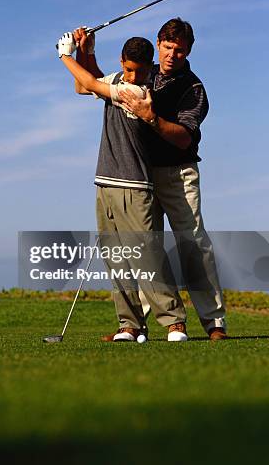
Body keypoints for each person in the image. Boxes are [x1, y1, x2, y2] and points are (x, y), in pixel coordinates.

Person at [80, 18, 227, 341]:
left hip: (178, 173)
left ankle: (214, 322)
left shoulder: (193, 88)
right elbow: (102, 85)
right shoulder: (145, 71)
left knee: (193, 244)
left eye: (180, 50)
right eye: (168, 47)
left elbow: (184, 138)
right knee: (142, 248)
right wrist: (85, 51)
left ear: (189, 51)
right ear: (158, 44)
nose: (173, 54)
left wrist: (151, 118)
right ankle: (134, 325)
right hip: (140, 173)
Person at [57, 30, 188, 342]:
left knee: (147, 255)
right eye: (128, 69)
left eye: (139, 71)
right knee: (116, 258)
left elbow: (90, 83)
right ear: (122, 62)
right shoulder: (118, 81)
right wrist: (86, 49)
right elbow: (83, 85)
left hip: (135, 184)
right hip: (105, 181)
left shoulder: (141, 92)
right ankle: (129, 325)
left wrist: (63, 55)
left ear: (149, 67)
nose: (133, 75)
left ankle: (174, 322)